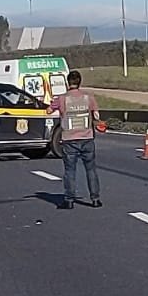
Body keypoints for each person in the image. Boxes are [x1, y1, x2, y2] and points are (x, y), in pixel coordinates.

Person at [47, 70, 101, 209]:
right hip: (87, 138)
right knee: (91, 170)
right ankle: (95, 199)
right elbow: (96, 116)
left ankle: (69, 200)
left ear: (67, 82)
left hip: (69, 140)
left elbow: (48, 111)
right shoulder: (89, 98)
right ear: (80, 82)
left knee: (70, 171)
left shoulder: (62, 99)